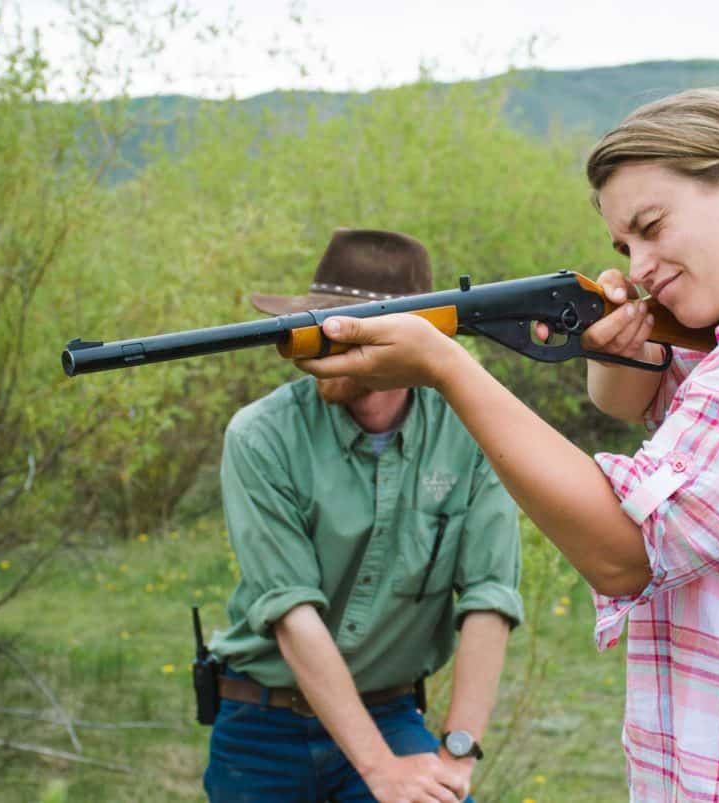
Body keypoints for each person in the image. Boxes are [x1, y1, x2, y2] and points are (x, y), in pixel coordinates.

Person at [294, 88, 719, 802]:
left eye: (653, 226)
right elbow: (629, 405)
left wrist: (446, 368)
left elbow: (628, 551)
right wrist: (622, 341)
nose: (641, 261)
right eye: (625, 245)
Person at [203, 229, 525, 803]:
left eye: (344, 335)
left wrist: (455, 754)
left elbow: (489, 596)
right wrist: (380, 770)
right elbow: (290, 610)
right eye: (316, 330)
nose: (320, 349)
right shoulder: (262, 435)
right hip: (260, 724)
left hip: (391, 712)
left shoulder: (473, 432)